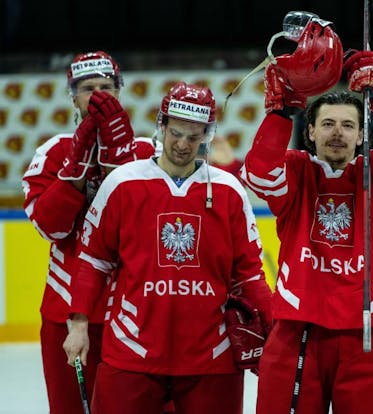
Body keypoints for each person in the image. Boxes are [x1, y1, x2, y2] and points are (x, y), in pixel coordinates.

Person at [242, 37, 373, 413]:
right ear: (310, 132)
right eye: (327, 124)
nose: (337, 132)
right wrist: (280, 113)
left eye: (348, 125)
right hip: (297, 328)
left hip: (369, 333)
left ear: (362, 135)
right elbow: (258, 174)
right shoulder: (297, 171)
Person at [62, 81, 272, 413]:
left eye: (194, 135)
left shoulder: (229, 190)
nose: (183, 144)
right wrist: (79, 323)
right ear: (161, 125)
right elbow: (93, 259)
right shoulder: (122, 183)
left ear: (207, 134)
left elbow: (248, 274)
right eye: (176, 132)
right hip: (132, 350)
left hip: (212, 357)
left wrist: (274, 329)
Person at [21, 50, 157, 414]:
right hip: (66, 311)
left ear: (120, 91)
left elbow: (145, 228)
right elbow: (49, 228)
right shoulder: (54, 151)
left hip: (135, 309)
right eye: (88, 88)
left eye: (107, 87)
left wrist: (119, 162)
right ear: (72, 96)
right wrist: (74, 169)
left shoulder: (147, 152)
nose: (98, 96)